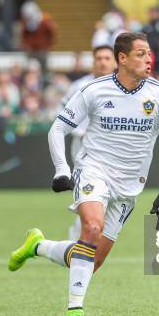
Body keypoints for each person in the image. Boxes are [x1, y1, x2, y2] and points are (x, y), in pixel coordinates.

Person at [8, 32, 159, 316]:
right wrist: (62, 169)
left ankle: (38, 246)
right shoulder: (93, 91)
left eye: (149, 53)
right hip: (94, 171)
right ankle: (74, 311)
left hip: (130, 187)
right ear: (122, 58)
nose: (148, 59)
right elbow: (57, 129)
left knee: (91, 259)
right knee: (91, 229)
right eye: (141, 53)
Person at [57, 45, 117, 240]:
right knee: (88, 195)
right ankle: (77, 241)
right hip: (84, 148)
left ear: (115, 61)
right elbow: (63, 113)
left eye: (107, 58)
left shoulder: (121, 87)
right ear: (93, 62)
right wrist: (80, 131)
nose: (103, 62)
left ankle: (86, 239)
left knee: (107, 199)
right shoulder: (79, 86)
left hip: (111, 151)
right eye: (99, 58)